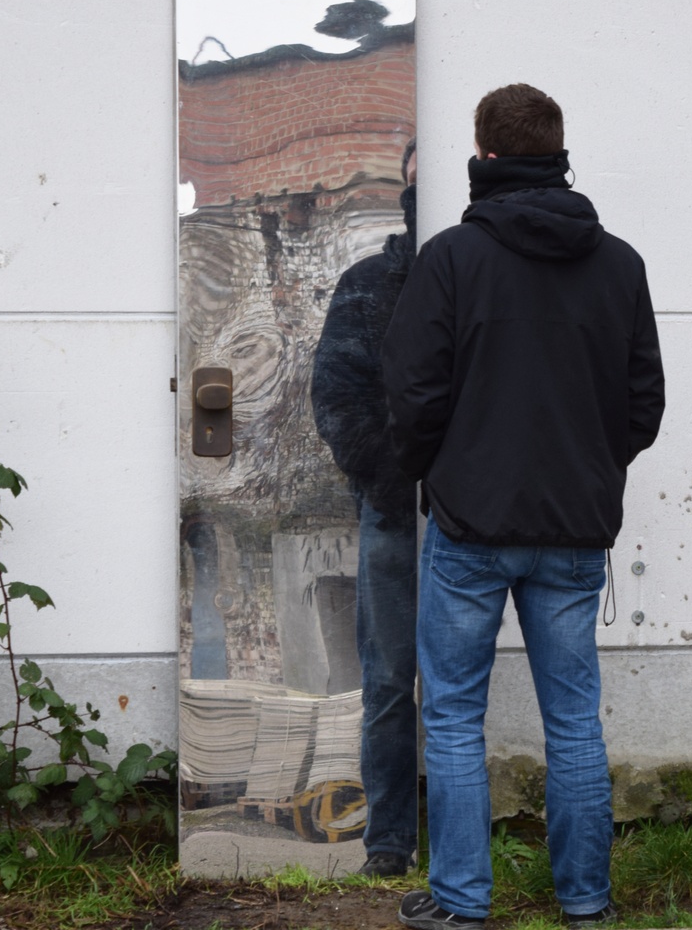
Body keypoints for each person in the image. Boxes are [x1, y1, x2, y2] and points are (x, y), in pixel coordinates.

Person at [382, 85, 665, 929]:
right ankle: (586, 902)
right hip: (575, 532)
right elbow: (642, 404)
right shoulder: (619, 264)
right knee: (574, 719)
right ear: (558, 150)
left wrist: (443, 471)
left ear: (485, 155)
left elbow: (410, 393)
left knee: (457, 717)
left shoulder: (451, 260)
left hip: (470, 526)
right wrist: (585, 467)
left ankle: (462, 904)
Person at [311, 137, 419, 877]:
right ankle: (388, 844)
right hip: (395, 511)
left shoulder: (480, 279)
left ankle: (456, 841)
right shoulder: (370, 283)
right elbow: (337, 393)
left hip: (476, 513)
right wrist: (386, 479)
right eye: (414, 180)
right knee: (387, 681)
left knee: (454, 684)